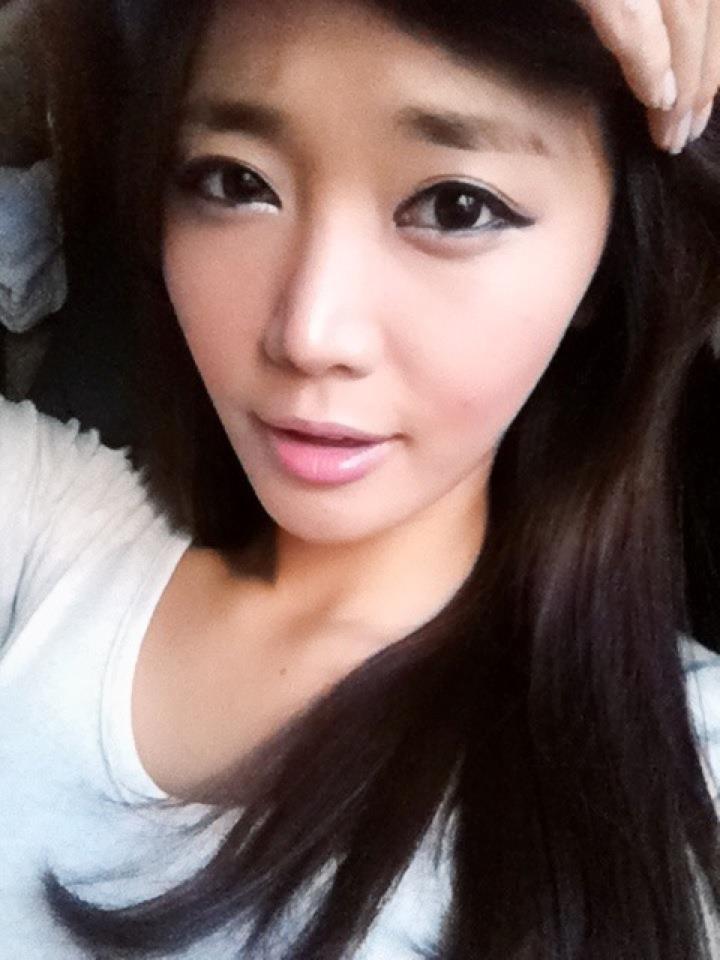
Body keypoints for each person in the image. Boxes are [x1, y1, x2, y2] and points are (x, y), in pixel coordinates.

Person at [1, 0, 720, 957]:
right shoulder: (45, 537)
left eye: (456, 205)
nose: (310, 333)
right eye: (235, 182)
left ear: (604, 261)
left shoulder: (690, 764)